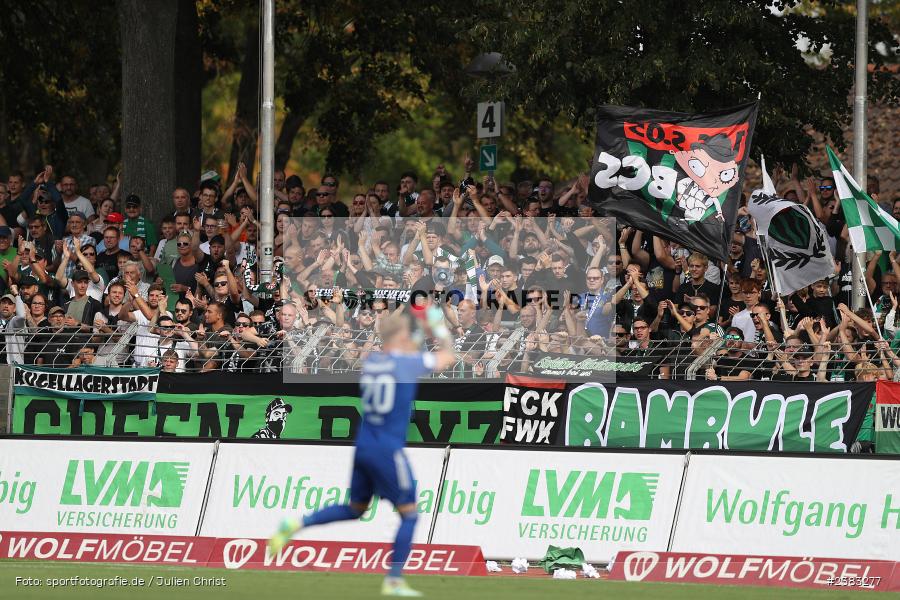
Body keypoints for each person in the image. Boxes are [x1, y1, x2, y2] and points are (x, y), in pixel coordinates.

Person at [269, 310, 456, 597]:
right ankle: (394, 581)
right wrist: (439, 328)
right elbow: (447, 357)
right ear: (401, 337)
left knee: (355, 508)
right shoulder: (406, 364)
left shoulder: (372, 363)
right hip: (387, 448)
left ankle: (296, 524)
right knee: (410, 515)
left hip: (363, 445)